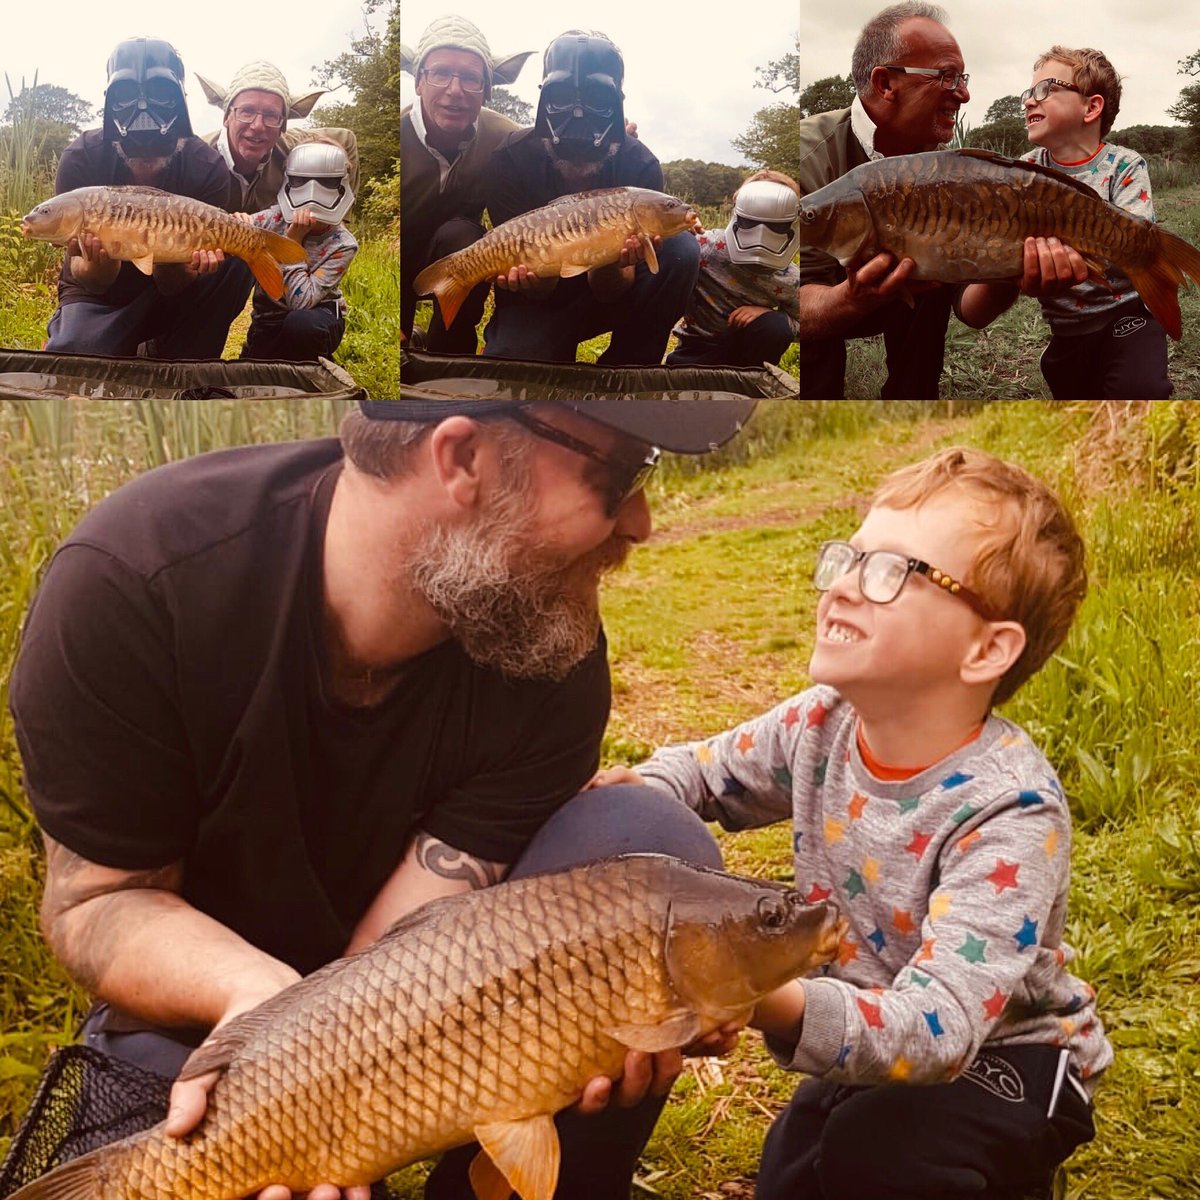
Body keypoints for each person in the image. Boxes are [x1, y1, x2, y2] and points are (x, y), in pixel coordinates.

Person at [9, 382, 765, 1200]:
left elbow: (408, 946)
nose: (641, 521)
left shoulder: (547, 643)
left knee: (646, 847)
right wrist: (264, 1010)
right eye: (618, 474)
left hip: (430, 990)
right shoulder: (133, 580)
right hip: (205, 1003)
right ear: (462, 456)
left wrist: (361, 1079)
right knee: (158, 1160)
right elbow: (98, 904)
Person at [593, 446, 1113, 1200]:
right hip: (873, 1026)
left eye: (891, 572)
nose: (842, 586)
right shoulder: (823, 724)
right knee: (794, 1172)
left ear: (987, 649)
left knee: (886, 1160)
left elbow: (940, 1027)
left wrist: (752, 990)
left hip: (1006, 1054)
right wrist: (630, 793)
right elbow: (702, 773)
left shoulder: (1009, 811)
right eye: (849, 557)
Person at [798, 3, 1087, 399]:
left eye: (962, 78)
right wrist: (850, 298)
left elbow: (970, 310)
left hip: (903, 298)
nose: (964, 94)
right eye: (947, 78)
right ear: (885, 84)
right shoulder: (807, 158)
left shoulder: (945, 166)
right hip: (821, 305)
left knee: (926, 269)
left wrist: (1010, 276)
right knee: (812, 355)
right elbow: (794, 303)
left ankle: (913, 400)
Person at [958, 47, 1172, 399]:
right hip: (1066, 328)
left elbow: (1138, 241)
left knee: (1140, 392)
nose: (1029, 101)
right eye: (1028, 93)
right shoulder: (1022, 171)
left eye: (1046, 89)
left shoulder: (1124, 165)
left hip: (1127, 317)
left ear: (1091, 107)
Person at [480, 29, 701, 365]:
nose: (578, 114)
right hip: (538, 298)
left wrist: (613, 260)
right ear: (544, 101)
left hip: (614, 297)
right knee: (519, 368)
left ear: (617, 105)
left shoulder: (640, 165)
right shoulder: (509, 159)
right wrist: (531, 276)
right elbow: (537, 286)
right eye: (562, 99)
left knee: (683, 250)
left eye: (597, 101)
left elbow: (610, 289)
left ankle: (629, 365)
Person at [43, 37, 253, 359]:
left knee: (237, 260)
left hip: (172, 291)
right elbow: (91, 281)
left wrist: (181, 258)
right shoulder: (81, 158)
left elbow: (173, 285)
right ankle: (107, 341)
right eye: (134, 155)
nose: (145, 162)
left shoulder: (208, 166)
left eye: (158, 152)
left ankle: (173, 353)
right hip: (99, 295)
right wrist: (101, 263)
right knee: (77, 359)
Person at [400, 16, 534, 354]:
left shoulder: (506, 137)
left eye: (471, 78)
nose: (455, 91)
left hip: (459, 252)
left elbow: (550, 157)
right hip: (401, 255)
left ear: (487, 91)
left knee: (467, 239)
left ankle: (447, 351)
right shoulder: (397, 132)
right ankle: (404, 335)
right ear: (419, 82)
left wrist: (608, 136)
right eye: (441, 73)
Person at [666, 171, 800, 368]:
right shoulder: (706, 247)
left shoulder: (790, 279)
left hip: (747, 354)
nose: (761, 234)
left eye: (775, 226)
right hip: (695, 348)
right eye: (750, 222)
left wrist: (768, 316)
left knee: (775, 327)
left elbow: (806, 323)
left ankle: (751, 381)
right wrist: (676, 232)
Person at [239, 141, 358, 362]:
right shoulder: (274, 219)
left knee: (301, 325)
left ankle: (315, 361)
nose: (312, 191)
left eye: (326, 182)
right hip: (269, 318)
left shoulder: (342, 244)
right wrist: (238, 222)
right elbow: (237, 230)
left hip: (317, 317)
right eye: (300, 180)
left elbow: (302, 302)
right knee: (255, 377)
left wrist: (293, 242)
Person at [197, 61, 359, 215]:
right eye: (247, 111)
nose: (258, 126)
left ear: (283, 125)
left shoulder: (295, 147)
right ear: (227, 117)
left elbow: (346, 139)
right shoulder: (193, 158)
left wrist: (339, 218)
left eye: (271, 115)